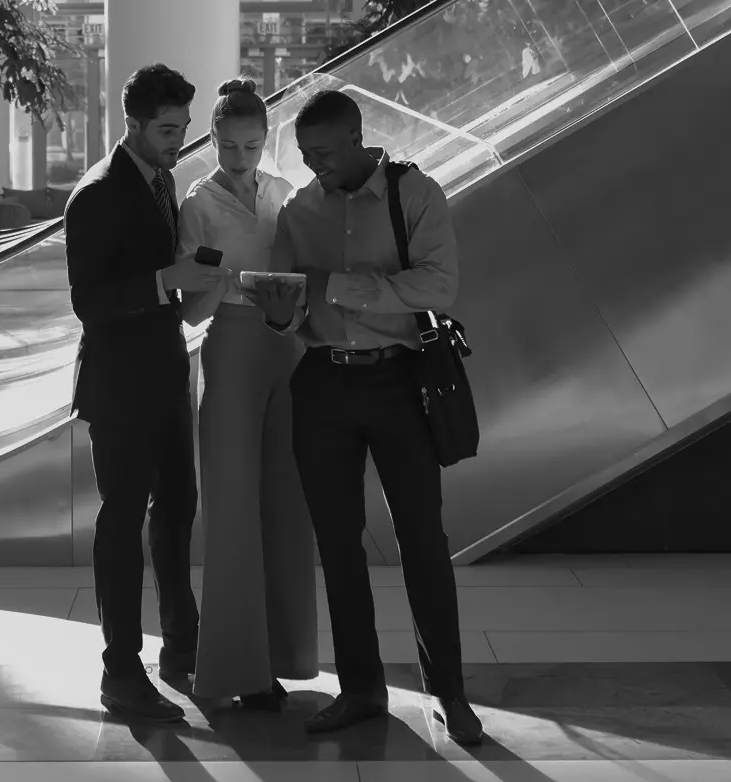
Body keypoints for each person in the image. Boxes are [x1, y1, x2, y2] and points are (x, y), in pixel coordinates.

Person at [248, 89, 484, 744]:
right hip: (322, 385)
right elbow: (295, 303)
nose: (313, 165)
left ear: (356, 138)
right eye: (304, 155)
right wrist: (280, 310)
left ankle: (449, 694)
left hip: (401, 382)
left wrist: (341, 286)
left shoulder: (416, 195)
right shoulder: (299, 209)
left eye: (323, 153)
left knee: (422, 541)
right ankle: (360, 690)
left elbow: (439, 286)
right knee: (339, 545)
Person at [64, 63, 226, 723]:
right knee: (122, 520)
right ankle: (120, 669)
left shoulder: (162, 181)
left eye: (182, 129)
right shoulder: (98, 193)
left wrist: (193, 287)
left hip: (163, 376)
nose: (177, 140)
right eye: (166, 129)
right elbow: (89, 302)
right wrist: (169, 279)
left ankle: (179, 645)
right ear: (132, 123)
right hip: (120, 385)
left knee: (177, 508)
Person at [175, 77, 319, 711]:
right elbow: (189, 309)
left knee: (287, 502)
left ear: (267, 139)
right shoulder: (197, 204)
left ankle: (284, 657)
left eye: (252, 145)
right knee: (232, 507)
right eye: (229, 146)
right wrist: (224, 278)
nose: (241, 157)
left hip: (286, 343)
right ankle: (238, 668)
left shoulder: (284, 193)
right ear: (213, 141)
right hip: (231, 344)